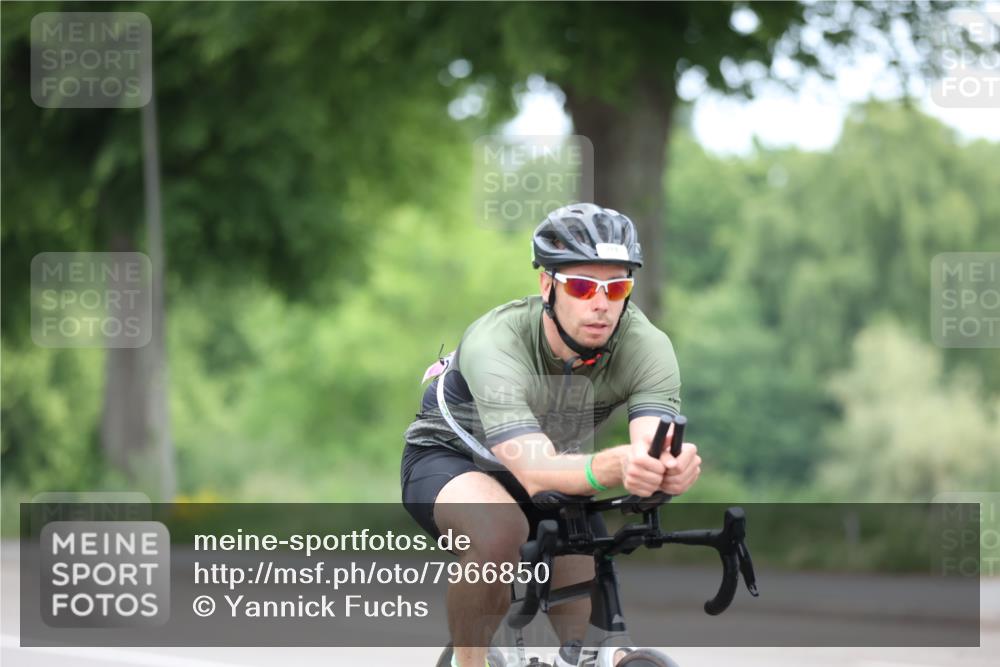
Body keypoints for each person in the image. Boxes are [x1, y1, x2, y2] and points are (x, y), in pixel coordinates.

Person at [401, 203, 701, 667]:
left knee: (583, 552)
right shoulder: (497, 342)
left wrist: (666, 470)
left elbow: (651, 447)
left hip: (555, 463)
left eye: (617, 287)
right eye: (582, 286)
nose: (601, 304)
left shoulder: (648, 347)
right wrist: (620, 465)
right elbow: (535, 472)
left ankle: (587, 657)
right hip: (452, 457)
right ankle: (469, 662)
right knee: (499, 529)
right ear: (548, 285)